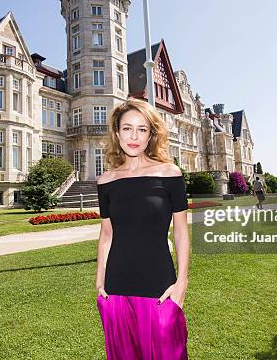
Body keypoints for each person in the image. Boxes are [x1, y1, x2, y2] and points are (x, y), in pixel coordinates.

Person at [96, 98, 190, 359]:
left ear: (151, 135)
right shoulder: (106, 181)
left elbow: (181, 232)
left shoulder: (169, 174)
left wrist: (182, 281)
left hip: (159, 286)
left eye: (142, 129)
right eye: (127, 128)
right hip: (116, 289)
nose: (133, 136)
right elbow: (106, 236)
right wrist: (100, 281)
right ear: (117, 132)